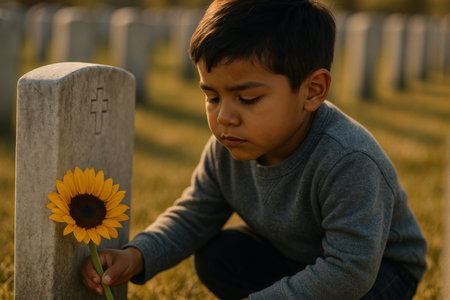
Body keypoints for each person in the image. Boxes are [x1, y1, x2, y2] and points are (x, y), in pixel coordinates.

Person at [82, 0, 428, 299]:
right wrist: (137, 254)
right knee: (219, 255)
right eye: (212, 97)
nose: (225, 117)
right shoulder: (227, 148)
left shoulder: (348, 159)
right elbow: (194, 215)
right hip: (295, 258)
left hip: (380, 272)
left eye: (248, 99)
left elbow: (350, 271)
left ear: (312, 91)